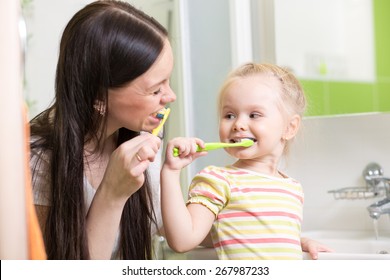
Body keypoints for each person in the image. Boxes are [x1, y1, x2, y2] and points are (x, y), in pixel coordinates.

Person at [29, 0, 176, 260]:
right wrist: (112, 193)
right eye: (156, 89)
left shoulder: (145, 139)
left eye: (168, 82)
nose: (171, 96)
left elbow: (173, 230)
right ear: (99, 98)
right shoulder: (37, 161)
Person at [161, 63, 332, 260]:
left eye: (254, 115)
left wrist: (299, 241)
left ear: (289, 127)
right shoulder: (217, 181)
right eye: (229, 115)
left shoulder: (292, 189)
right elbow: (183, 240)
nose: (238, 124)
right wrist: (170, 173)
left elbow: (249, 234)